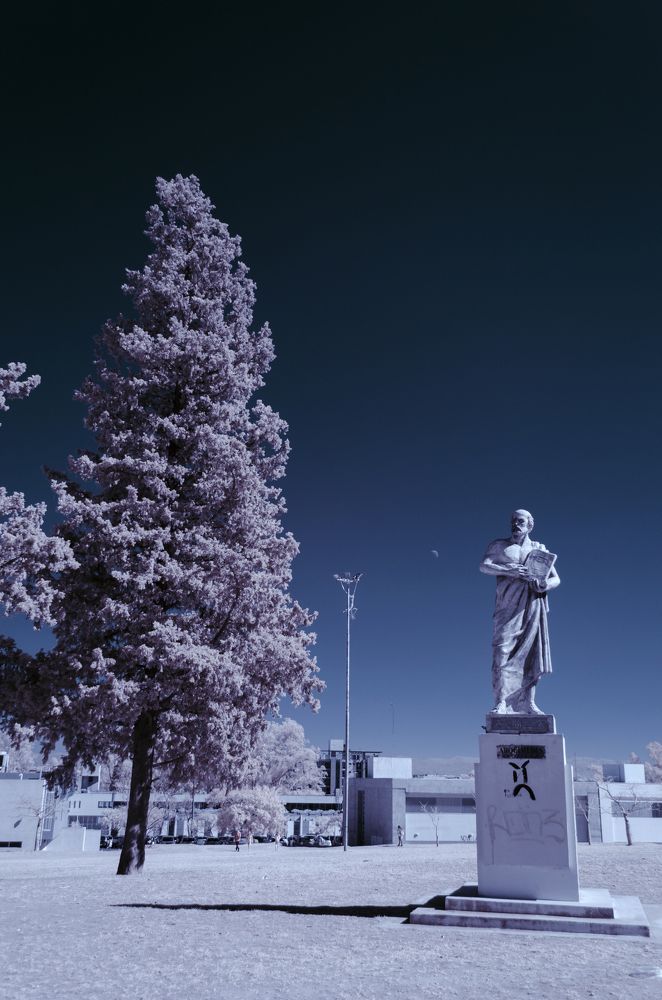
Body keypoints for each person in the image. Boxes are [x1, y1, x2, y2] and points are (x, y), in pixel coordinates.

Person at [480, 509, 560, 715]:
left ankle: (528, 702)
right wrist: (509, 571)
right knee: (501, 650)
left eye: (521, 521)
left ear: (530, 525)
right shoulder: (500, 546)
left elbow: (556, 579)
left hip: (532, 604)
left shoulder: (539, 548)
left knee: (531, 653)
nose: (516, 524)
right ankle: (501, 702)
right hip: (507, 607)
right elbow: (484, 566)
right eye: (513, 521)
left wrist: (544, 585)